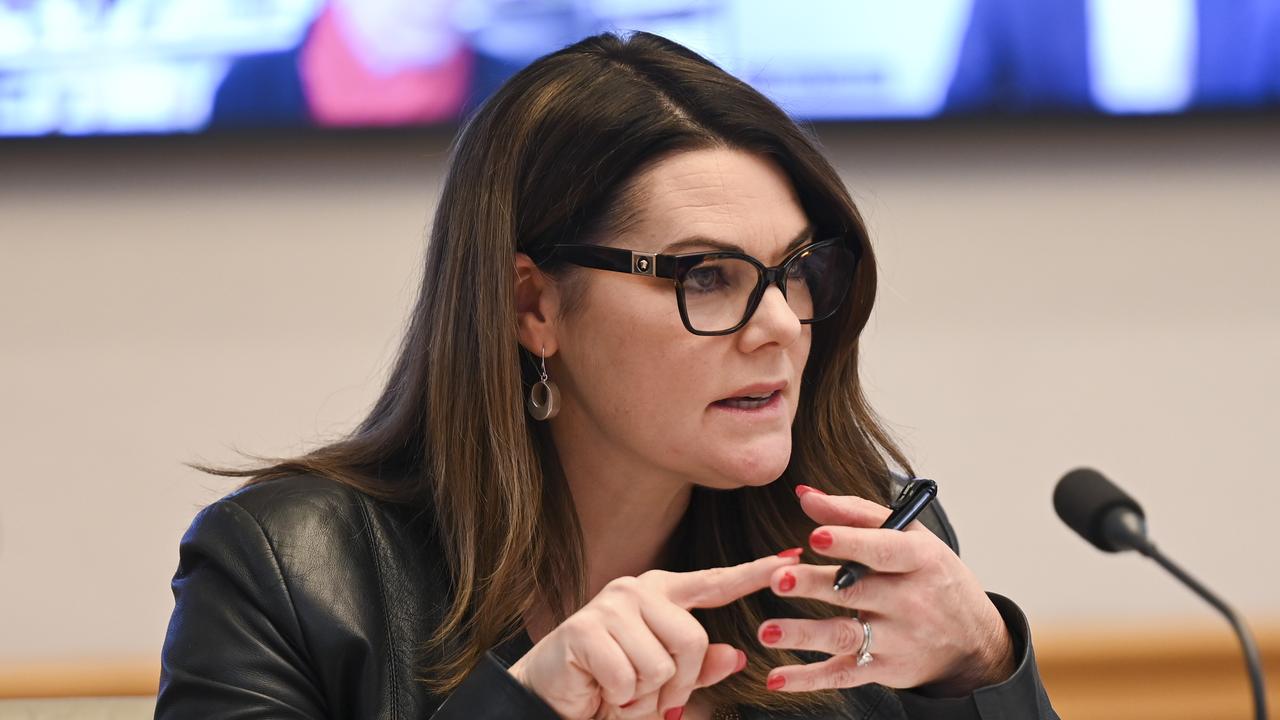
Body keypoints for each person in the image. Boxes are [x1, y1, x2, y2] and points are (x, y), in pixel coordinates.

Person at [156, 31, 1058, 720]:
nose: (781, 326)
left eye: (794, 271)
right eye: (707, 277)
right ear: (533, 308)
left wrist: (981, 661)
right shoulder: (292, 573)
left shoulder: (867, 558)